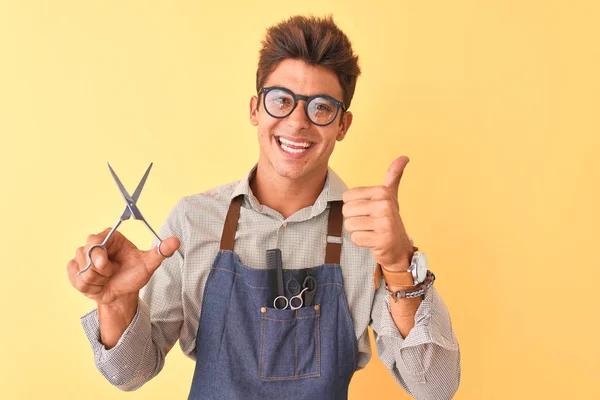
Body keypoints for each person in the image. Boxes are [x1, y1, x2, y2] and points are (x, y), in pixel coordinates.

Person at [67, 15, 460, 400]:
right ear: (255, 109)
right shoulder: (194, 221)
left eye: (321, 107)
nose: (297, 122)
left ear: (343, 125)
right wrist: (115, 303)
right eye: (281, 101)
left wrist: (398, 267)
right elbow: (130, 373)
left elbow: (435, 389)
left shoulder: (374, 235)